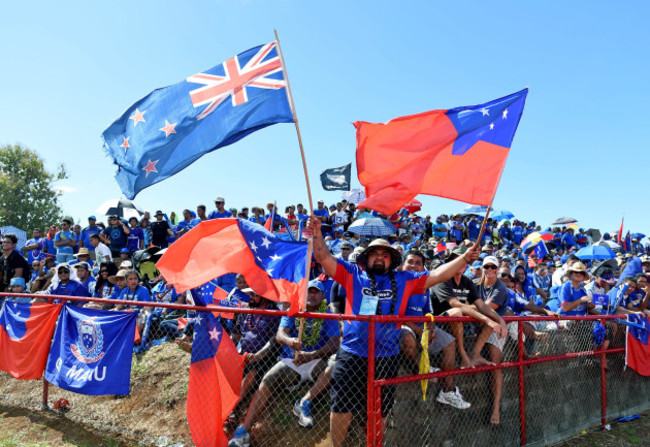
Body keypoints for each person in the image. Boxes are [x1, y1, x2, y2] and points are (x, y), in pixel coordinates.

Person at [307, 216, 479, 447]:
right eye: (374, 254)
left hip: (386, 356)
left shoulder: (405, 278)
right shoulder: (351, 273)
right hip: (351, 354)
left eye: (384, 255)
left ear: (391, 260)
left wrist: (464, 258)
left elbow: (439, 275)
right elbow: (323, 257)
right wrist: (317, 234)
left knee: (381, 409)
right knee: (341, 406)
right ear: (366, 258)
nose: (379, 258)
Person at [229, 281, 340, 446]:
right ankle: (244, 431)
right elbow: (280, 335)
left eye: (316, 292)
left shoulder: (328, 314)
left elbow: (334, 343)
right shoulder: (293, 310)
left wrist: (311, 355)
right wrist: (290, 341)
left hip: (317, 361)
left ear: (323, 296)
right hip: (291, 361)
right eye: (309, 292)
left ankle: (304, 402)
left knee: (336, 367)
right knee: (267, 380)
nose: (312, 295)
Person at [399, 250, 471, 409]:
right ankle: (422, 370)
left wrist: (430, 328)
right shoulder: (398, 283)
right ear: (402, 265)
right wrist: (421, 332)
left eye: (419, 263)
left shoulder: (424, 286)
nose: (414, 266)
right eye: (410, 261)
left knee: (449, 342)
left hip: (422, 327)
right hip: (404, 326)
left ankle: (448, 390)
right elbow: (398, 316)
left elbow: (428, 312)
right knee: (407, 337)